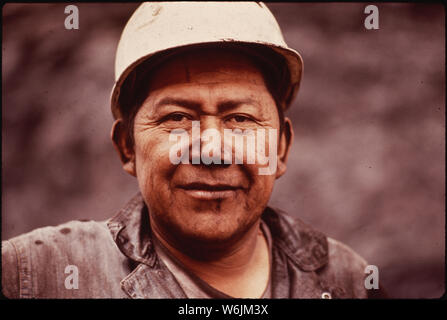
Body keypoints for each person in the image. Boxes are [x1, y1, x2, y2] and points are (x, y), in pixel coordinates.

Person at [2, 2, 381, 299]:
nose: (211, 149)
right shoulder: (32, 275)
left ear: (281, 148)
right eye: (178, 117)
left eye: (241, 119)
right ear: (127, 147)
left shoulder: (348, 278)